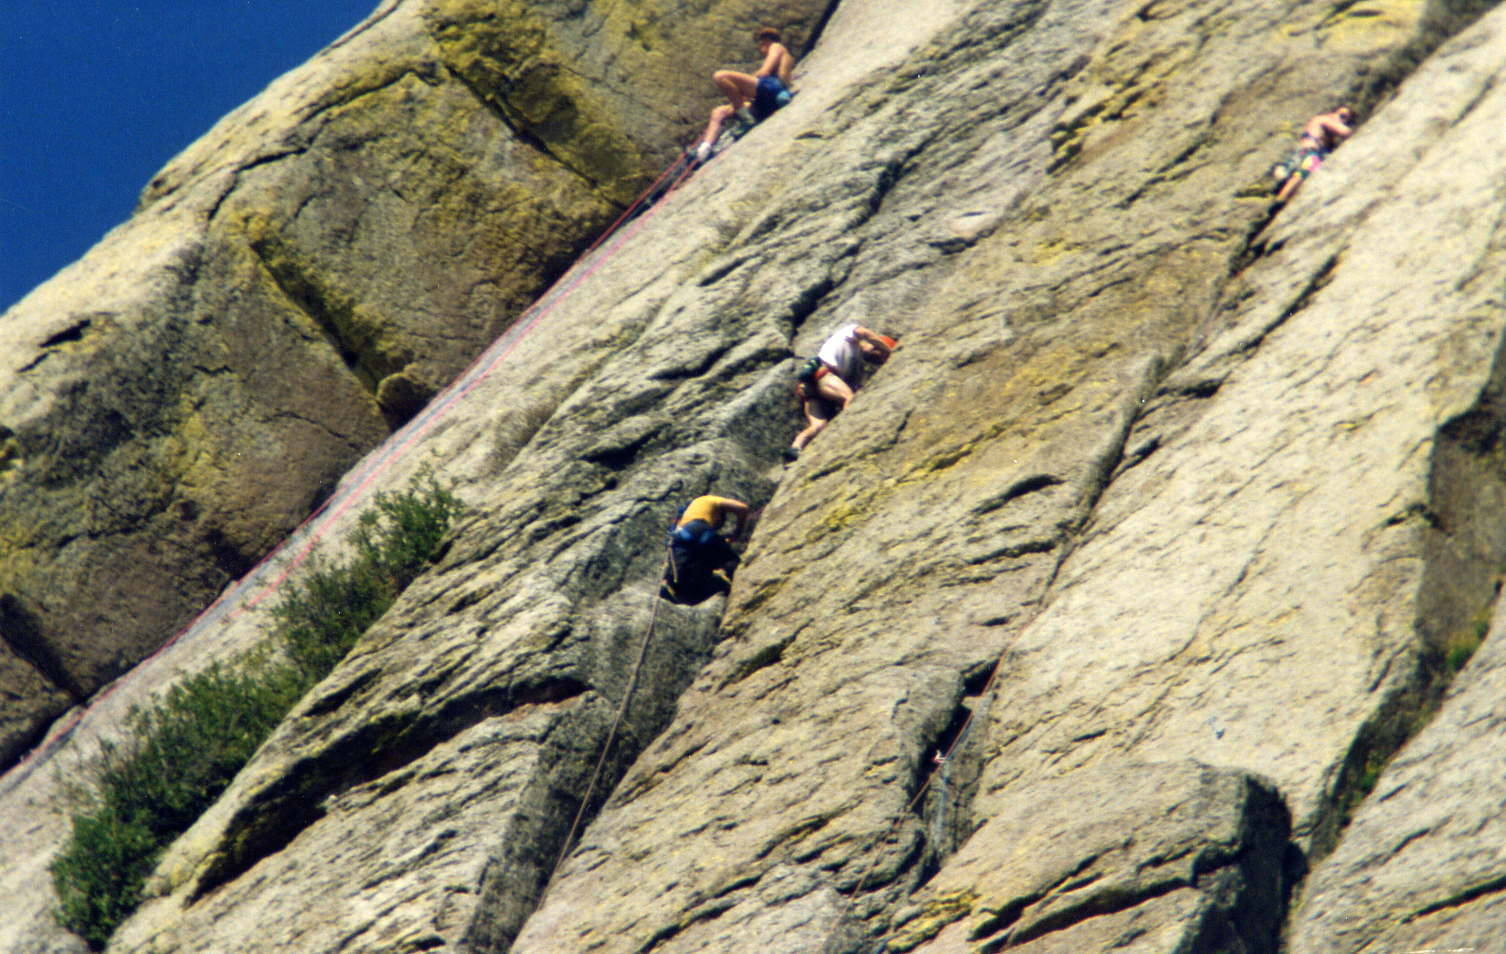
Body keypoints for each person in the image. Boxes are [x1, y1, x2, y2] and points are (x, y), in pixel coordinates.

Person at [784, 324, 898, 460]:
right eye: (880, 356)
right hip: (823, 373)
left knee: (818, 425)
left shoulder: (856, 364)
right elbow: (864, 332)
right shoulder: (850, 333)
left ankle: (795, 447)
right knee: (850, 398)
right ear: (876, 345)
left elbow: (852, 385)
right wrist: (890, 352)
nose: (877, 360)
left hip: (810, 386)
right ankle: (849, 432)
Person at [693, 27, 796, 162]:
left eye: (760, 44)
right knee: (719, 112)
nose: (759, 49)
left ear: (766, 41)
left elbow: (764, 72)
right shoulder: (783, 55)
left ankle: (747, 119)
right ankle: (704, 149)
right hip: (765, 100)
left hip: (772, 88)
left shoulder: (776, 47)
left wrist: (741, 89)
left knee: (720, 76)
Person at [659, 494, 752, 604]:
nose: (717, 527)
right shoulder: (708, 499)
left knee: (688, 587)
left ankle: (672, 586)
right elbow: (742, 508)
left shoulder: (684, 517)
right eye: (719, 523)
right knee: (732, 562)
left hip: (680, 541)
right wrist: (737, 533)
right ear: (719, 516)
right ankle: (724, 575)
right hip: (698, 529)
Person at [1273, 105, 1355, 203]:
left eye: (1347, 121)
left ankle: (1281, 197)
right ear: (1331, 113)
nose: (1343, 121)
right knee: (1304, 172)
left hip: (1303, 153)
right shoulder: (1323, 119)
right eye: (1342, 116)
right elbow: (1344, 132)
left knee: (1297, 177)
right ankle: (1280, 199)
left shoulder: (1327, 135)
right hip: (1309, 151)